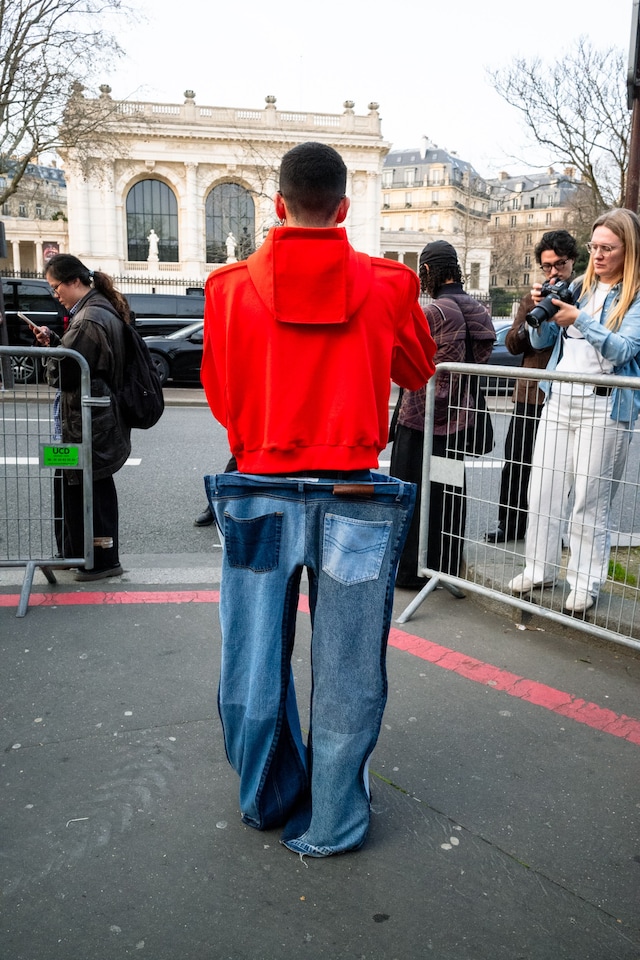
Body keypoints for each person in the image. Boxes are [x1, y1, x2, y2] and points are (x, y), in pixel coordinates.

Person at [200, 142, 436, 857]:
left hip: (259, 486)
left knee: (251, 653)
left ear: (278, 204)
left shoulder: (228, 287)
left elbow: (218, 392)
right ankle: (333, 817)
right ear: (343, 206)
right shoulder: (389, 283)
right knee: (347, 664)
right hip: (353, 489)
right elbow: (417, 370)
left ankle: (266, 794)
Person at [508, 208, 640, 614]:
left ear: (628, 250)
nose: (597, 255)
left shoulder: (634, 296)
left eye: (607, 249)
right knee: (542, 488)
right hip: (560, 398)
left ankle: (585, 582)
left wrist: (581, 318)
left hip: (604, 405)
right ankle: (539, 567)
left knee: (589, 499)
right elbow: (543, 337)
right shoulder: (579, 286)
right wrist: (539, 311)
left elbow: (624, 350)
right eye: (593, 247)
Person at [390, 240, 495, 588]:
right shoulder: (480, 311)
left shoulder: (434, 312)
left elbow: (408, 361)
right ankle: (446, 565)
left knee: (410, 492)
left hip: (419, 419)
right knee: (449, 494)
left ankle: (410, 571)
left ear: (427, 271)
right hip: (459, 422)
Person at [36, 254, 131, 581]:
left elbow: (65, 374)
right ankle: (79, 554)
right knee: (80, 486)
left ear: (75, 281)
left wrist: (52, 353)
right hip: (91, 418)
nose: (55, 294)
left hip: (89, 420)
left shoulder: (90, 319)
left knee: (91, 488)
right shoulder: (98, 311)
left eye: (56, 287)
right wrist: (59, 345)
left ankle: (101, 560)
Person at [485, 231, 576, 543]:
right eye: (547, 266)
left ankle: (553, 530)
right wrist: (531, 319)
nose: (553, 272)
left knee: (560, 468)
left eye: (559, 265)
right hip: (530, 394)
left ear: (572, 262)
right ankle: (508, 523)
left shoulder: (581, 297)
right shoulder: (530, 298)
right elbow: (511, 344)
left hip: (565, 394)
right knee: (517, 461)